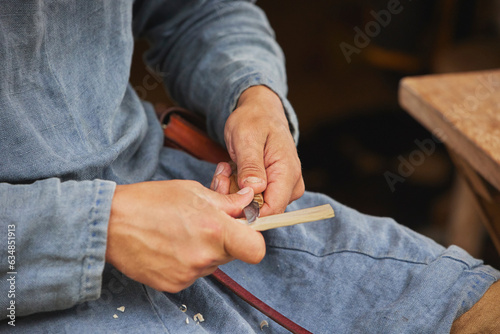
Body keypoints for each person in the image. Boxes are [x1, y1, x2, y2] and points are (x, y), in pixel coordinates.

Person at [0, 0, 498, 332]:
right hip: (24, 274)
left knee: (477, 307)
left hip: (173, 184)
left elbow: (201, 10)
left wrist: (253, 95)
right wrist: (96, 229)